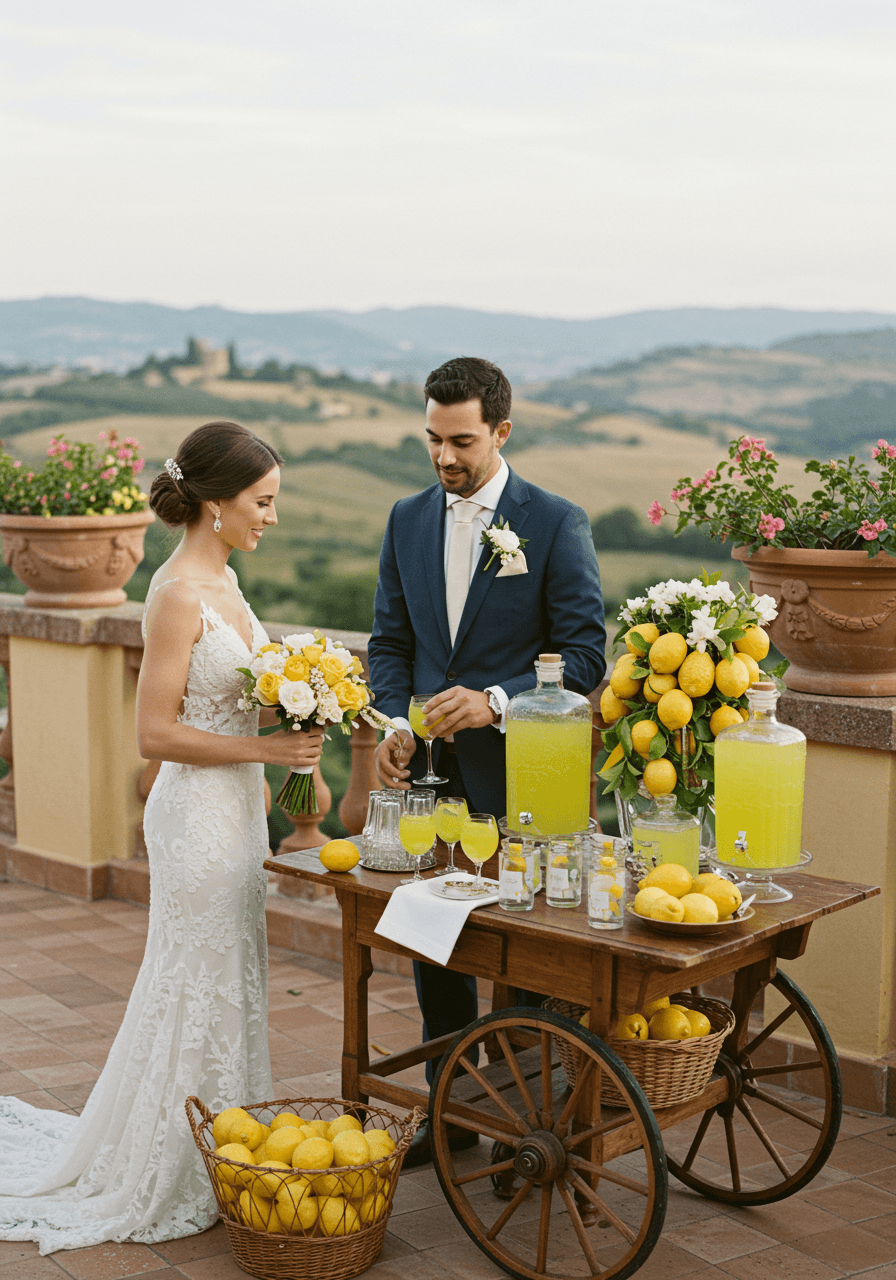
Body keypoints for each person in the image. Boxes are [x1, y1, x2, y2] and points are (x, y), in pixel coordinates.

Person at [0, 420, 324, 1254]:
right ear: (215, 504)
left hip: (241, 808)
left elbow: (242, 691)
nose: (271, 518)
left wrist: (304, 704)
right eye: (263, 502)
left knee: (232, 974)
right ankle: (176, 1159)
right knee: (195, 978)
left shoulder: (228, 583)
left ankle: (223, 1142)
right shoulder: (179, 592)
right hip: (197, 816)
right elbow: (155, 734)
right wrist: (265, 747)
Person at [368, 357, 605, 1166]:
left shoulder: (556, 520)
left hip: (528, 779)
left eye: (461, 440)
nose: (443, 458)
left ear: (503, 431)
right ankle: (451, 1114)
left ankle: (525, 1124)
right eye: (432, 439)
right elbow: (392, 645)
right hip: (438, 783)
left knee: (528, 957)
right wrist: (398, 723)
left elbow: (584, 657)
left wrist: (498, 702)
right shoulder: (405, 519)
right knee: (439, 948)